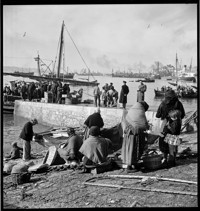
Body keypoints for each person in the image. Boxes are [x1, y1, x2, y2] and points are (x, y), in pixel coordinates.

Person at [156, 89, 185, 167]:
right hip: (176, 124)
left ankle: (165, 159)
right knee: (173, 143)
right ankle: (172, 160)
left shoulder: (163, 103)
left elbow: (158, 115)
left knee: (163, 142)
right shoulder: (178, 103)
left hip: (165, 124)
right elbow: (182, 115)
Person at [121, 101, 150, 173]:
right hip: (134, 134)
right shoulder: (140, 111)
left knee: (128, 149)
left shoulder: (133, 109)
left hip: (128, 133)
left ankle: (130, 164)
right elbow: (143, 125)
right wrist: (147, 128)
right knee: (133, 149)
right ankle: (129, 167)